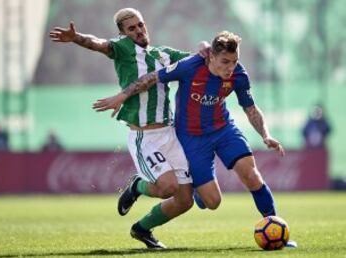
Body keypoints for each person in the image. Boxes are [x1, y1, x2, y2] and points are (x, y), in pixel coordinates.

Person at [93, 30, 297, 248]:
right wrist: (122, 96)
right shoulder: (190, 66)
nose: (230, 67)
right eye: (225, 62)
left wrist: (266, 135)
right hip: (191, 139)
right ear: (211, 56)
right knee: (212, 202)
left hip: (224, 130)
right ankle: (167, 191)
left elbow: (250, 108)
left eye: (235, 61)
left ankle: (275, 226)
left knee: (251, 175)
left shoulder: (238, 75)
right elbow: (152, 77)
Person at [50, 8, 209, 249]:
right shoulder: (124, 49)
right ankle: (137, 185)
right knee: (167, 188)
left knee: (185, 200)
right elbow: (99, 44)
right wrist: (77, 38)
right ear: (123, 34)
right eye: (131, 28)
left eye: (140, 25)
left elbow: (198, 60)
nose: (138, 30)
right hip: (145, 136)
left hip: (170, 133)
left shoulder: (165, 54)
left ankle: (142, 229)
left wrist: (206, 47)